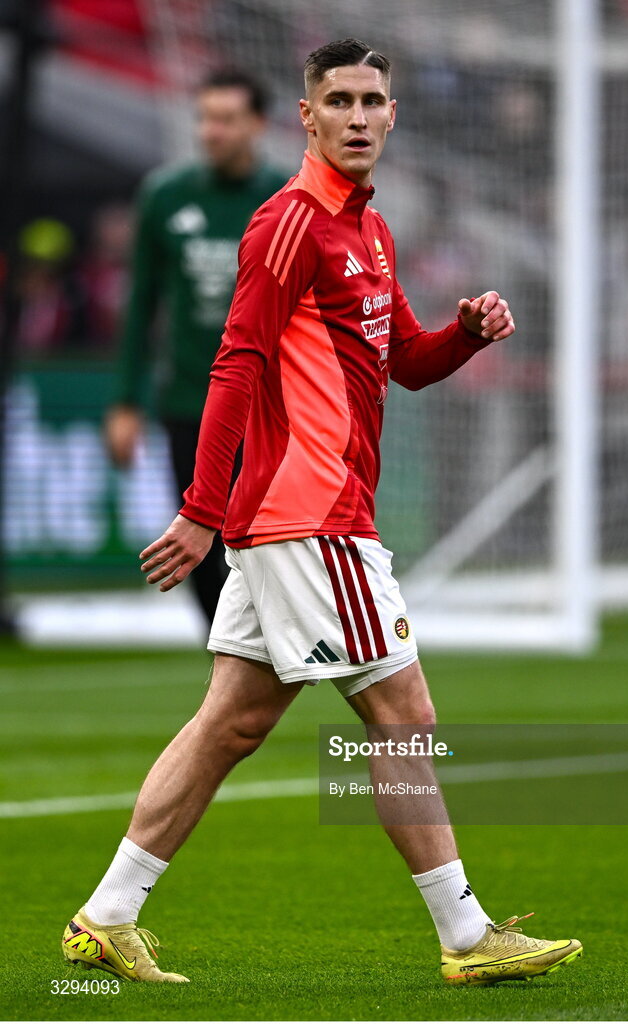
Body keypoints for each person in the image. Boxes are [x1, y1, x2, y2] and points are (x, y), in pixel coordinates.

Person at [63, 38, 582, 987]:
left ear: (391, 116)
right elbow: (237, 363)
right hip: (311, 513)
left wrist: (463, 335)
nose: (354, 115)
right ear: (306, 117)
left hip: (299, 518)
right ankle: (466, 935)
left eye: (370, 100)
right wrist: (198, 510)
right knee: (402, 712)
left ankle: (105, 916)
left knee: (232, 722)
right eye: (336, 99)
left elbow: (406, 364)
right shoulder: (292, 222)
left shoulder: (369, 233)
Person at [105, 67, 288, 624]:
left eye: (227, 119)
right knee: (195, 541)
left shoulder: (286, 197)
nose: (212, 131)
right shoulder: (165, 195)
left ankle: (265, 661)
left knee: (267, 544)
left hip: (268, 407)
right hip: (189, 400)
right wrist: (125, 401)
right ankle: (226, 658)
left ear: (257, 124)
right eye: (206, 118)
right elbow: (142, 304)